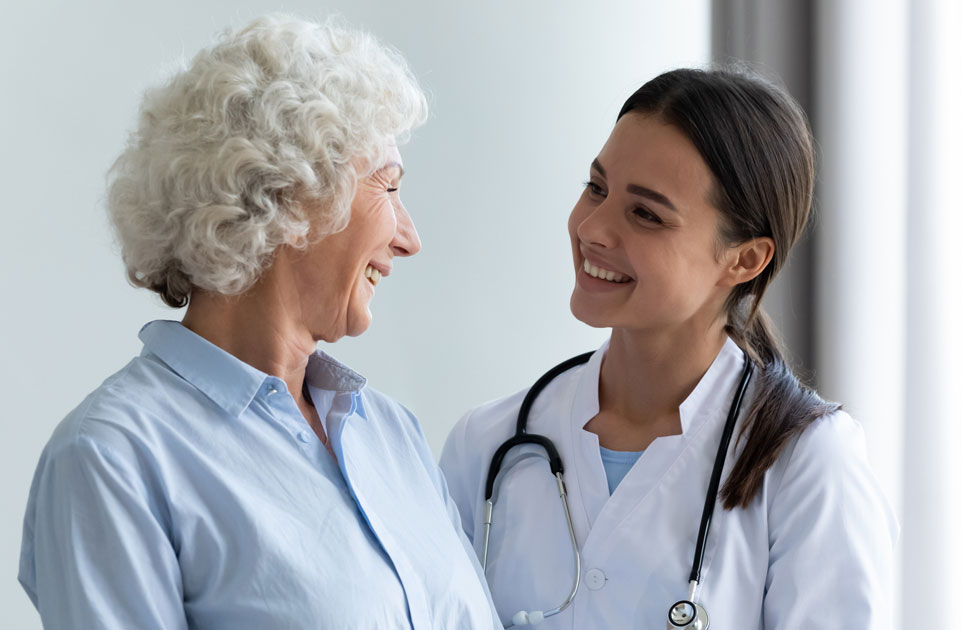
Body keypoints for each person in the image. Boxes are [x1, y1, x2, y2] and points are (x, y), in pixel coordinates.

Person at [18, 15, 501, 630]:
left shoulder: (388, 432)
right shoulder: (113, 456)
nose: (410, 238)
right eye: (388, 187)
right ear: (292, 194)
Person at [439, 67, 897, 629]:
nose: (594, 229)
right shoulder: (488, 446)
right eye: (596, 188)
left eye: (646, 214)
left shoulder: (808, 466)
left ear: (744, 260)